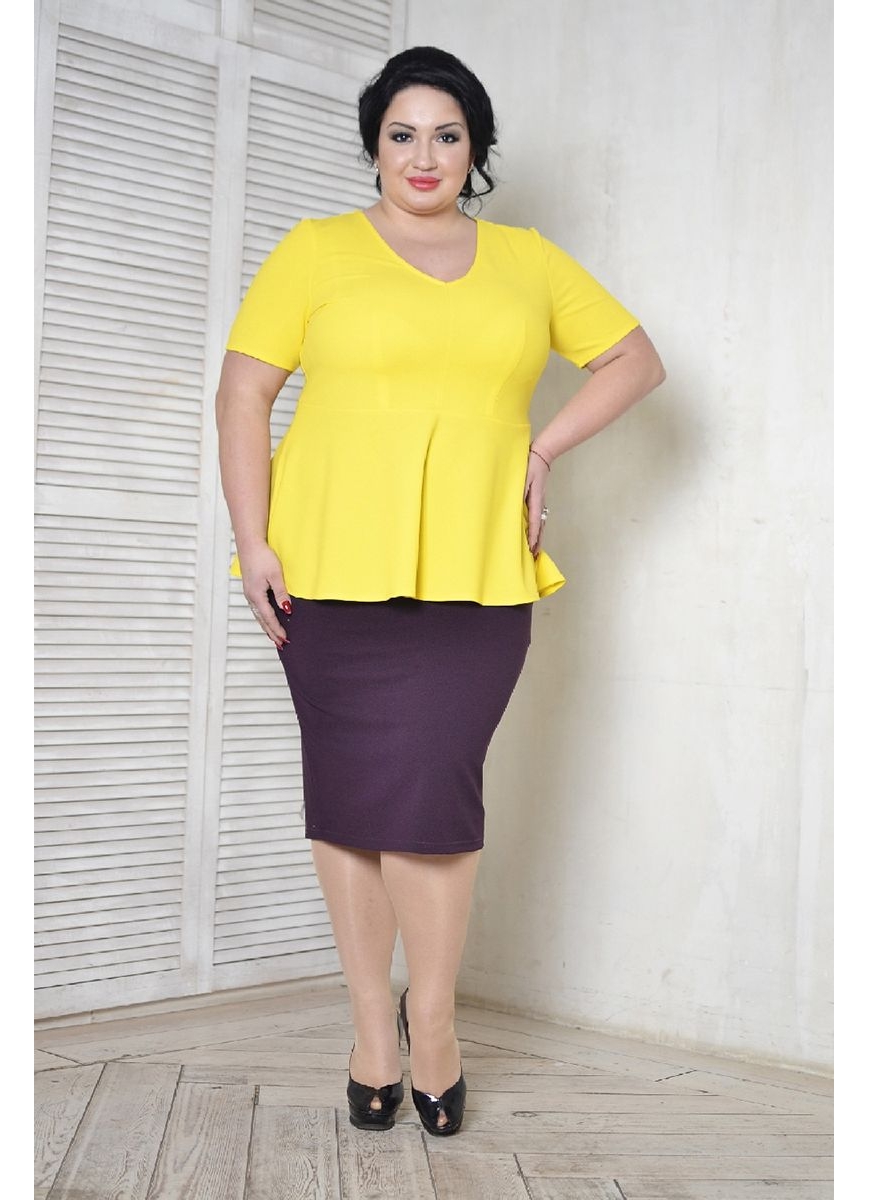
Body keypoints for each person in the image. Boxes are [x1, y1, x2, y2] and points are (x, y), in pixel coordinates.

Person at [215, 45, 665, 1137]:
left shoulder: (527, 261)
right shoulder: (314, 251)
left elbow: (635, 360)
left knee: (432, 803)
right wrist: (252, 541)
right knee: (349, 798)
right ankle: (373, 1031)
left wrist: (542, 448)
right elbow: (243, 394)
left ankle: (437, 1025)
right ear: (373, 144)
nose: (424, 154)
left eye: (448, 134)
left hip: (476, 572)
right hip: (325, 571)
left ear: (476, 149)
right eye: (402, 133)